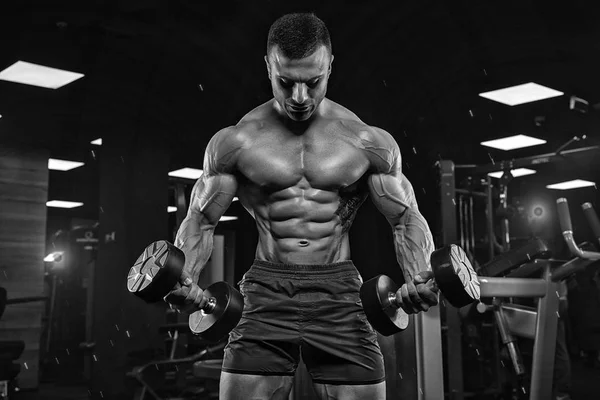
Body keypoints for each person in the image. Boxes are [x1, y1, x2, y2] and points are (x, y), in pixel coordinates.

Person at [165, 13, 439, 400]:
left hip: (339, 291)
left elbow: (405, 216)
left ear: (330, 65)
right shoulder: (235, 143)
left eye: (313, 82)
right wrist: (186, 274)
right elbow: (201, 218)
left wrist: (420, 274)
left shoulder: (366, 141)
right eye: (285, 82)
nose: (299, 98)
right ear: (268, 66)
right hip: (265, 290)